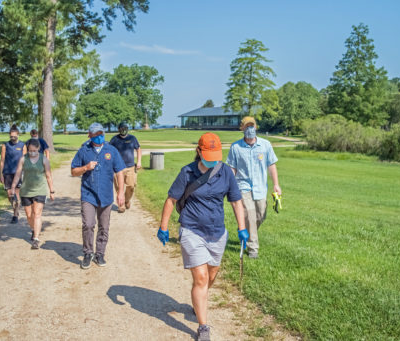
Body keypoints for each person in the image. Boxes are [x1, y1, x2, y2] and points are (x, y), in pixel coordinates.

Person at [157, 132, 247, 341]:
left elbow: (236, 201)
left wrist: (242, 227)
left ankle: (199, 302)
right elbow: (171, 200)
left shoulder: (225, 172)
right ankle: (203, 327)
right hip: (191, 230)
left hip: (217, 232)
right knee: (201, 278)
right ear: (198, 151)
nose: (212, 159)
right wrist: (163, 227)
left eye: (216, 155)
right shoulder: (187, 172)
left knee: (211, 275)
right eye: (208, 154)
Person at [71, 123, 126, 269]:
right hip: (88, 194)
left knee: (104, 226)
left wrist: (120, 192)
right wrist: (85, 168)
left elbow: (120, 172)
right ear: (89, 135)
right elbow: (73, 171)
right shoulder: (84, 150)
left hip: (106, 195)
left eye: (101, 133)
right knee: (88, 224)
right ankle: (88, 253)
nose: (99, 136)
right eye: (96, 134)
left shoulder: (111, 150)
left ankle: (100, 253)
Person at [226, 116, 282, 259]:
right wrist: (229, 186)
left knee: (260, 215)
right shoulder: (236, 147)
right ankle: (253, 249)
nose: (250, 129)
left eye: (252, 126)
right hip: (242, 186)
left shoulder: (265, 145)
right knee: (250, 216)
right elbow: (232, 168)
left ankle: (243, 228)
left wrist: (276, 184)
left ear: (256, 127)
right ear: (242, 129)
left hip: (260, 187)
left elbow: (272, 165)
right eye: (247, 126)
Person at [10, 139, 55, 249]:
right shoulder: (23, 159)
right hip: (26, 190)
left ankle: (36, 239)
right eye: (30, 151)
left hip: (40, 190)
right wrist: (12, 187)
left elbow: (48, 176)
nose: (32, 153)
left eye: (34, 151)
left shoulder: (44, 159)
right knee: (29, 215)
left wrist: (52, 191)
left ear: (39, 149)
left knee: (37, 213)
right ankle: (34, 229)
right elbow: (17, 174)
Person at [109, 122, 142, 213]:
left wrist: (139, 161)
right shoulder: (114, 139)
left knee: (131, 186)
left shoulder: (132, 138)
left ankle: (127, 200)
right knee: (119, 188)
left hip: (130, 167)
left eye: (125, 128)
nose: (123, 130)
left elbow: (138, 149)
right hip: (117, 168)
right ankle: (121, 205)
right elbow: (109, 151)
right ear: (119, 129)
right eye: (121, 128)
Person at [0, 124, 26, 223]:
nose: (13, 138)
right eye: (11, 136)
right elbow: (2, 160)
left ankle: (15, 215)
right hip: (7, 172)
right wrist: (0, 174)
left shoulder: (22, 145)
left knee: (16, 194)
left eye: (14, 136)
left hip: (18, 173)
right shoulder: (5, 145)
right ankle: (15, 208)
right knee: (10, 195)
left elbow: (25, 161)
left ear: (18, 135)